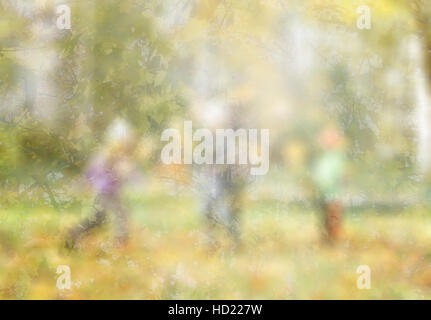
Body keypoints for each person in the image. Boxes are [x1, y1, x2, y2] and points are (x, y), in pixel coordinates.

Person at [66, 119, 135, 249]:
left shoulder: (119, 156)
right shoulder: (107, 155)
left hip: (111, 193)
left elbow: (127, 173)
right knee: (118, 215)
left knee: (100, 219)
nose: (123, 145)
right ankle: (120, 242)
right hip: (105, 193)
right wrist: (85, 183)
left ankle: (75, 233)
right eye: (122, 141)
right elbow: (94, 170)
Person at [312, 125, 347, 243]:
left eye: (329, 139)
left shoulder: (337, 156)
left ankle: (335, 242)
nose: (325, 141)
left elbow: (340, 174)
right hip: (323, 193)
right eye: (324, 139)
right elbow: (319, 173)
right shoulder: (323, 157)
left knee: (334, 219)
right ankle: (327, 240)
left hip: (334, 194)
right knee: (326, 219)